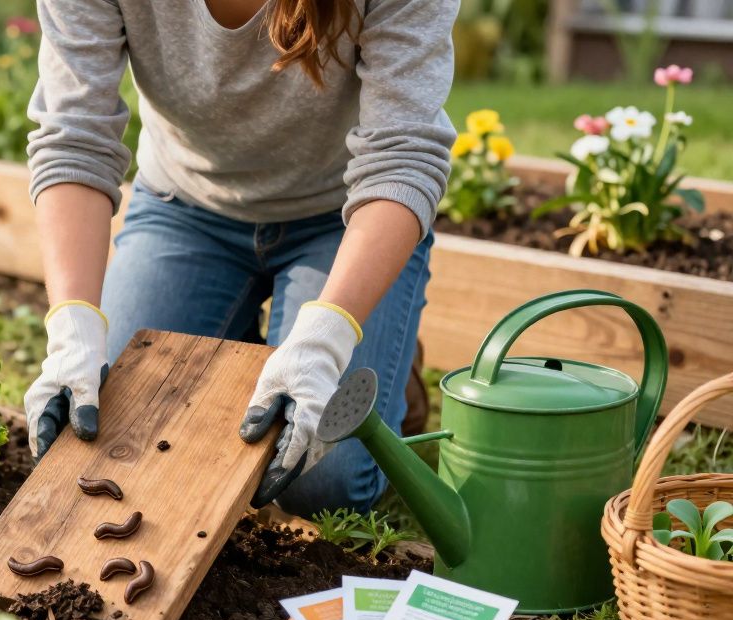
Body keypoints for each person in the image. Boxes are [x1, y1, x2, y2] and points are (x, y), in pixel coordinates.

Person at [22, 0, 458, 518]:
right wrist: (73, 329)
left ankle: (373, 343)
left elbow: (403, 156)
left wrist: (326, 340)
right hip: (186, 209)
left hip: (347, 217)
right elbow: (74, 136)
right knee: (115, 437)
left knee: (318, 487)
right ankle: (267, 352)